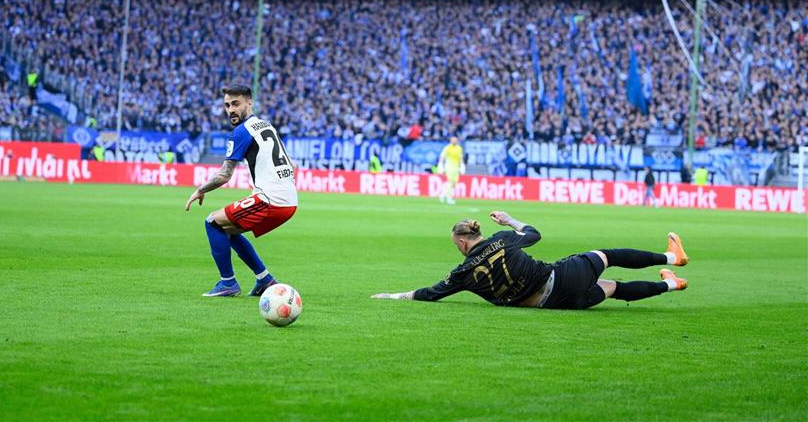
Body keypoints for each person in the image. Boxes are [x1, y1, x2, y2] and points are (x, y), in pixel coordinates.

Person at [371, 211, 689, 310]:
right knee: (609, 256)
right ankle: (672, 257)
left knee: (614, 288)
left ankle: (670, 285)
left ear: (463, 241)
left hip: (551, 303)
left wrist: (392, 295)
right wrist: (510, 220)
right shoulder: (504, 239)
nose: (457, 248)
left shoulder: (462, 274)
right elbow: (534, 234)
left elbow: (430, 293)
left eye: (456, 244)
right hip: (562, 278)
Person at [185, 85, 298, 298]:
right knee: (228, 229)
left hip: (271, 200)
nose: (231, 110)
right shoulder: (266, 126)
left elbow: (224, 175)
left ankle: (227, 283)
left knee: (212, 222)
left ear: (249, 103)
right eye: (227, 105)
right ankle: (265, 280)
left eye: (236, 104)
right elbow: (291, 164)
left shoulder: (242, 131)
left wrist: (200, 190)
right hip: (289, 200)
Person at [437, 136, 465, 204]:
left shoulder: (459, 148)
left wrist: (462, 166)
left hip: (456, 167)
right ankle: (449, 198)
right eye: (453, 140)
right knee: (450, 181)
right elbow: (442, 156)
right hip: (449, 166)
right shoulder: (447, 147)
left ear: (457, 141)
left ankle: (443, 195)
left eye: (455, 140)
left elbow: (460, 158)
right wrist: (440, 165)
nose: (454, 141)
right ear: (450, 140)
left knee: (454, 183)